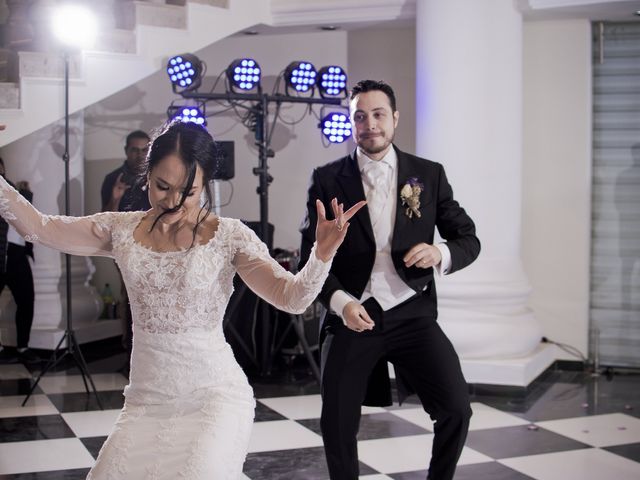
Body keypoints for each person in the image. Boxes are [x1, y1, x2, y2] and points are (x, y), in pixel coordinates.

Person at [0, 120, 365, 479]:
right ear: (147, 174)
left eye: (188, 192)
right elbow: (38, 227)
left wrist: (321, 254)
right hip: (146, 402)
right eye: (162, 186)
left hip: (214, 398)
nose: (173, 201)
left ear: (205, 185)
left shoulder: (229, 236)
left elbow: (293, 298)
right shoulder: (121, 229)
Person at [299, 80, 481, 480]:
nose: (370, 124)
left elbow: (468, 238)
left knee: (455, 409)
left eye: (378, 114)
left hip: (412, 311)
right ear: (351, 124)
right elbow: (309, 260)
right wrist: (341, 303)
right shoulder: (327, 179)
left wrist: (440, 253)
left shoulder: (428, 176)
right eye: (360, 116)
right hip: (353, 314)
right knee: (336, 421)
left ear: (395, 118)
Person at [100, 129, 150, 370]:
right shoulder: (113, 178)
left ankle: (151, 355)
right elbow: (106, 217)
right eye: (135, 150)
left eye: (144, 150)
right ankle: (131, 354)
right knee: (131, 299)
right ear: (126, 151)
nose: (140, 155)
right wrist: (116, 196)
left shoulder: (156, 175)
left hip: (156, 247)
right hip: (125, 249)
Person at [0, 157, 37, 365]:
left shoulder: (12, 189)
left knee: (26, 301)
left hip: (16, 254)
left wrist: (27, 195)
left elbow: (26, 218)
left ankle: (23, 346)